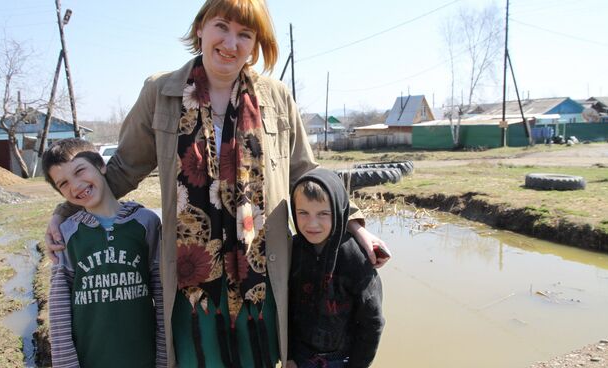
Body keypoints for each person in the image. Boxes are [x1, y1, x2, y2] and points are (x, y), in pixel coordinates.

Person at [44, 1, 390, 367]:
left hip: (261, 272)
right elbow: (124, 169)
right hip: (190, 279)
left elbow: (305, 171)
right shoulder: (160, 92)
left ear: (255, 45)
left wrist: (354, 225)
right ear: (200, 29)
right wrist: (64, 210)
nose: (231, 42)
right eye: (221, 26)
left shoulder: (275, 97)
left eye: (245, 34)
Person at [42, 138, 165, 368]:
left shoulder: (146, 223)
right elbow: (58, 311)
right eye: (64, 183)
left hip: (143, 358)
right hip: (91, 359)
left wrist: (164, 357)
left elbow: (161, 295)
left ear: (100, 165)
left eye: (80, 171)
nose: (76, 185)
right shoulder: (66, 235)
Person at [288, 168, 384, 368]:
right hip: (301, 358)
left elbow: (372, 322)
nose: (312, 223)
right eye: (303, 213)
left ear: (340, 213)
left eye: (323, 213)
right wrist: (289, 355)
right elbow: (284, 309)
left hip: (343, 359)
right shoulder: (291, 251)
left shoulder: (355, 257)